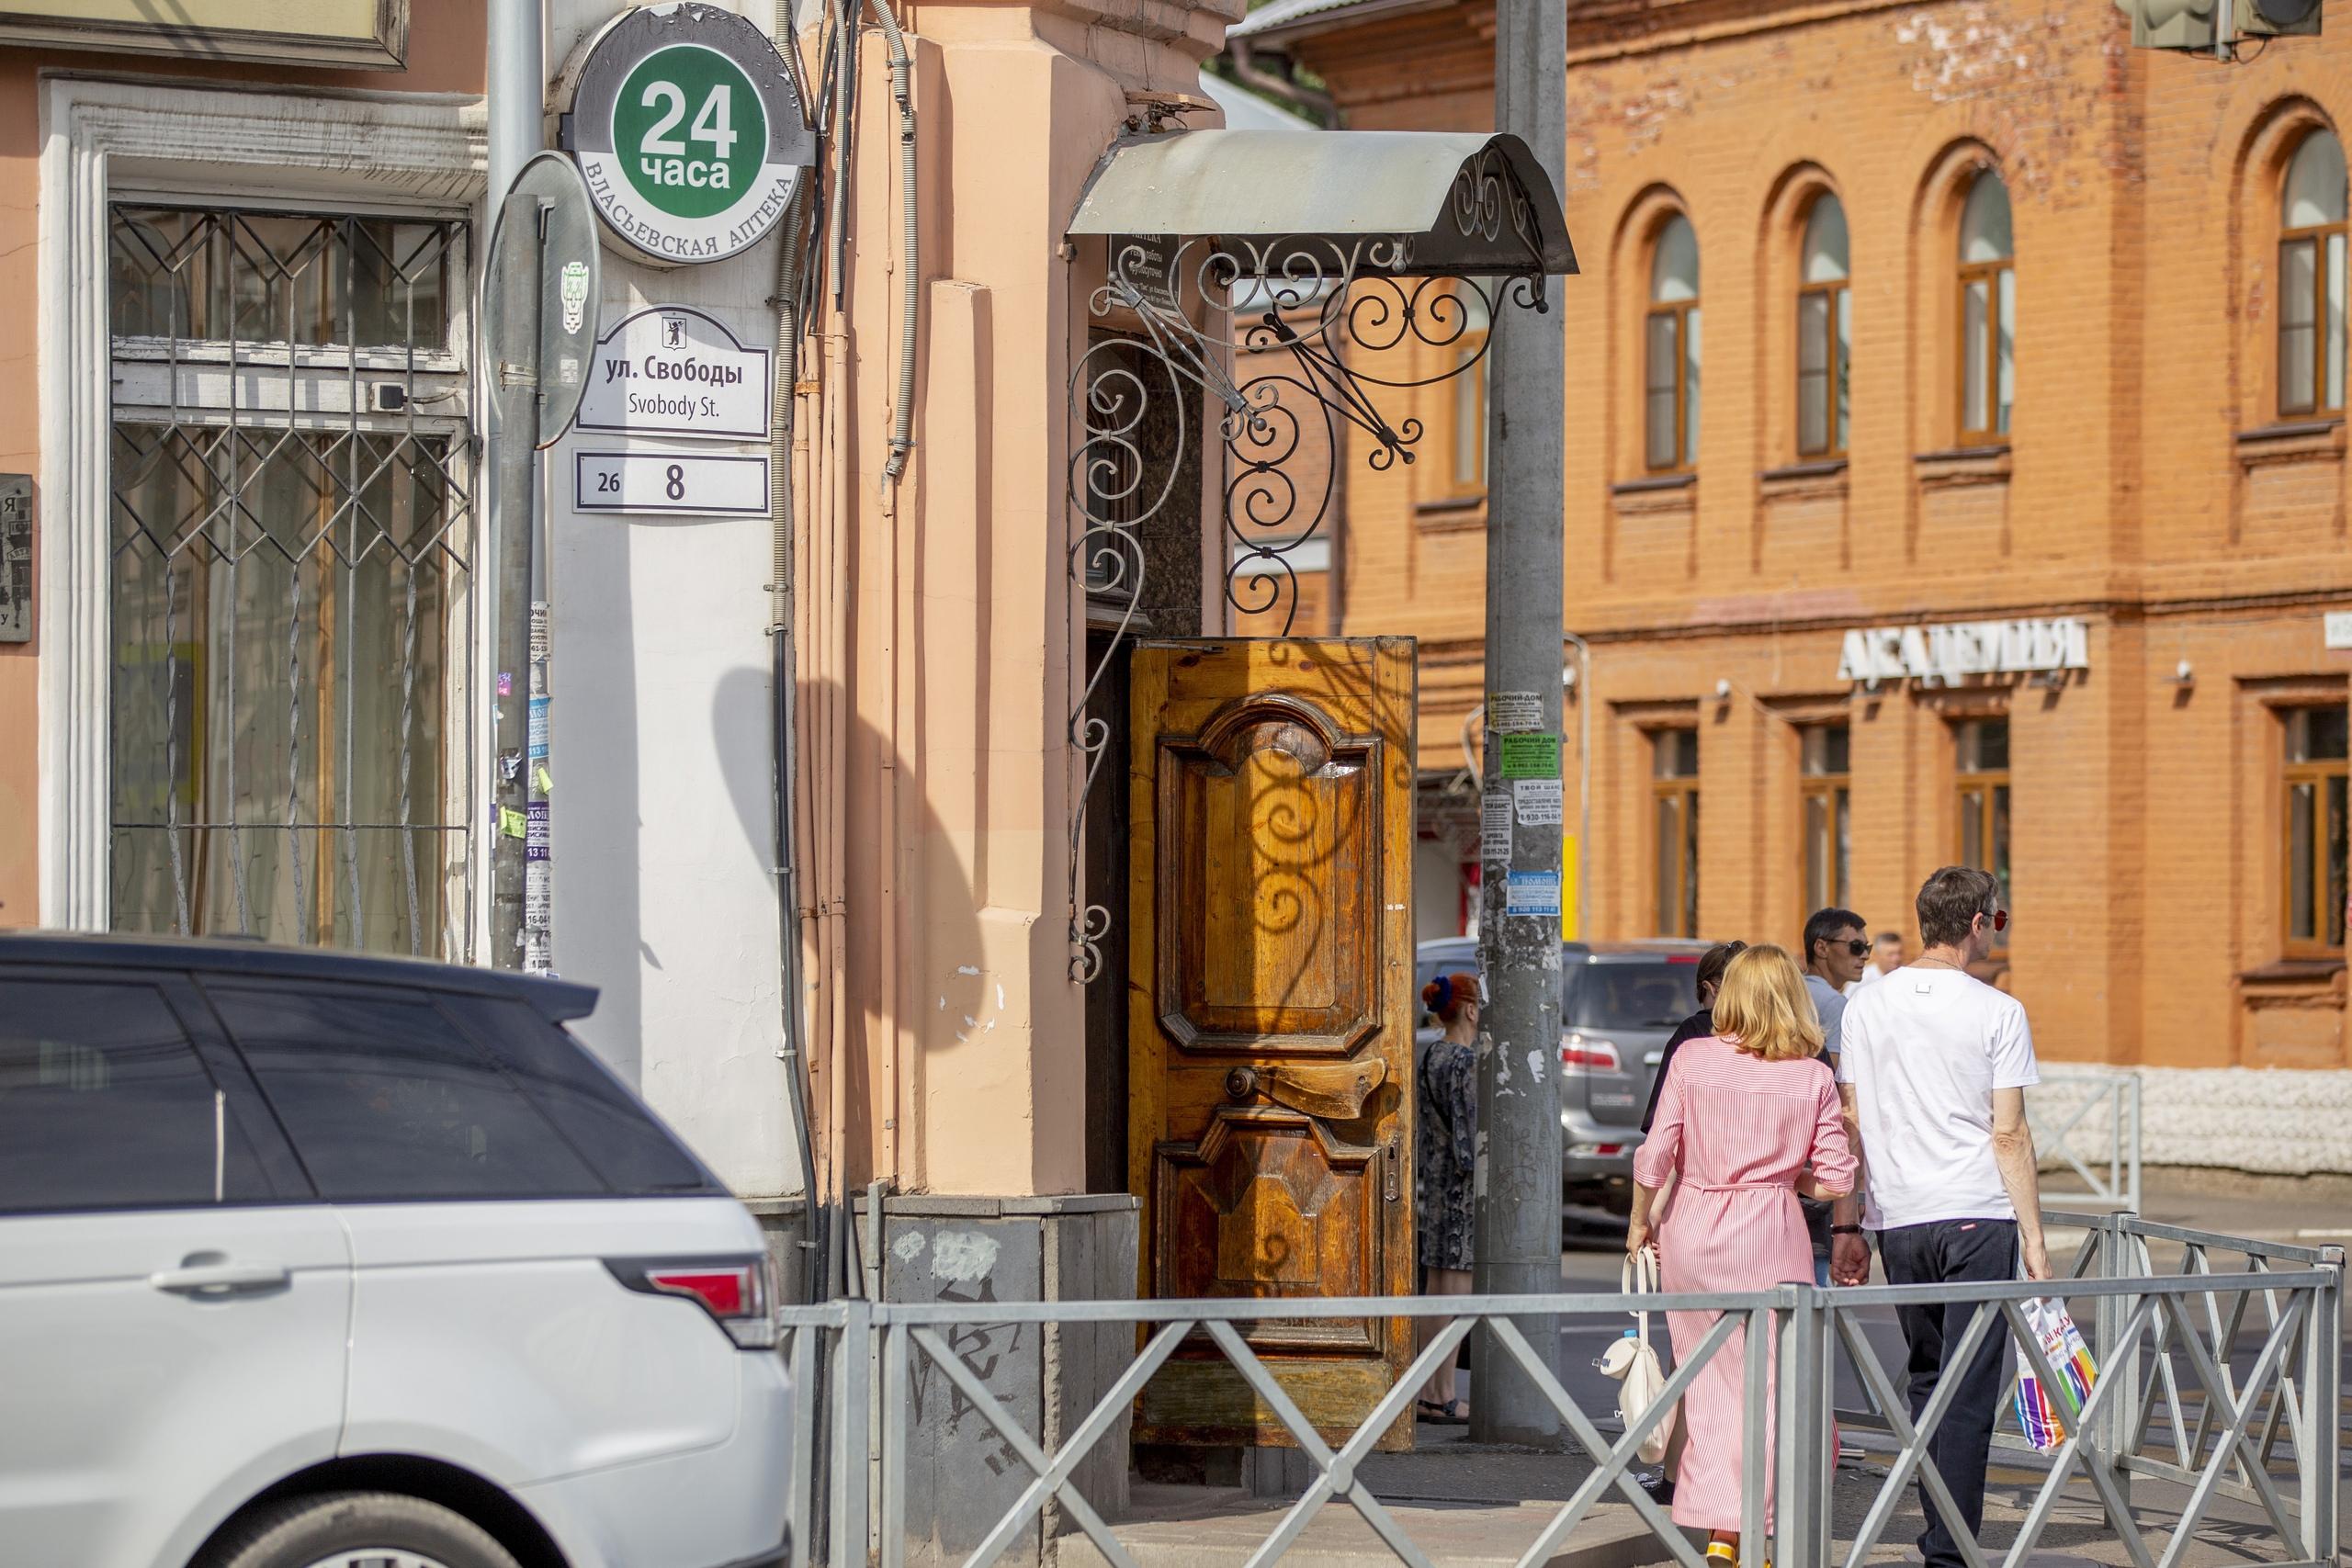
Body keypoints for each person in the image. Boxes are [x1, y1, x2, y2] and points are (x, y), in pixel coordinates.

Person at [1831, 867, 2049, 1568]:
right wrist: (2038, 1242)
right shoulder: (1997, 1010)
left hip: (1901, 1219)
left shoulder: (1866, 1006)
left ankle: (1940, 1538)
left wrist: (1849, 1224)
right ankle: (1951, 1551)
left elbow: (1851, 1123)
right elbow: (2009, 1133)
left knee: (1928, 1378)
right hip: (1979, 1215)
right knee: (1970, 1388)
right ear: (1980, 921)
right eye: (1999, 918)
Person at [1627, 945, 1855, 1564]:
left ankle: (1723, 1533)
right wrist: (1787, 1178)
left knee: (1709, 1387)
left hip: (1693, 1231)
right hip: (1768, 1234)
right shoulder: (1810, 1074)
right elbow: (1837, 1178)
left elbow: (1656, 1155)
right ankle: (1754, 1533)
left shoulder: (1693, 1057)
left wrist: (1638, 1221)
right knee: (1775, 1389)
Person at [1414, 971, 1479, 1424]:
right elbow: (1468, 1140)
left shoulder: (1431, 1054)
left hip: (1432, 1186)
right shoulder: (1464, 1062)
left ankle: (1427, 1391)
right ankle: (1444, 1394)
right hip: (1460, 1191)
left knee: (1435, 1288)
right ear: (1471, 1009)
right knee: (1457, 1292)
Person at [1798, 908, 1866, 1282]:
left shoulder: (1790, 991)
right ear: (1821, 947)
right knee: (1817, 1271)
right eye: (1855, 946)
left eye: (1866, 947)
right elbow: (1837, 1085)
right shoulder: (1836, 1006)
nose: (1864, 957)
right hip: (1818, 1156)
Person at [1639, 940, 1746, 1134]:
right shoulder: (1781, 1032)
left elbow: (1661, 1119)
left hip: (1705, 1157)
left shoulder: (1694, 1031)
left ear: (1710, 988)